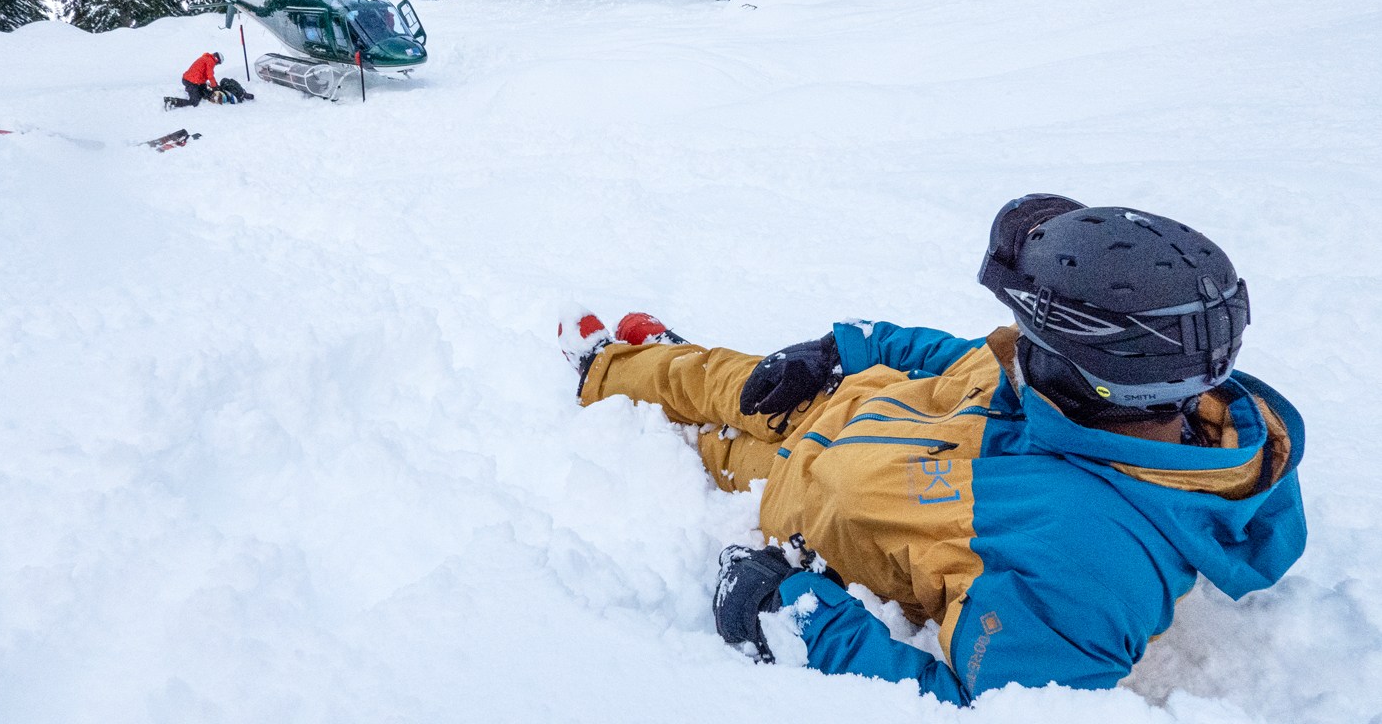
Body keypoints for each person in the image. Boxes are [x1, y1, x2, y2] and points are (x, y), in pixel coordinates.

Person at [558, 195, 1305, 706]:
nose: (1012, 341)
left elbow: (974, 708)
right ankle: (645, 362)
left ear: (1091, 370)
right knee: (730, 378)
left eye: (1031, 331)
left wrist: (791, 613)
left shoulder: (1089, 565)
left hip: (801, 491)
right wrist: (838, 351)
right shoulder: (1104, 383)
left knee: (698, 441)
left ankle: (606, 370)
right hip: (848, 404)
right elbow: (954, 356)